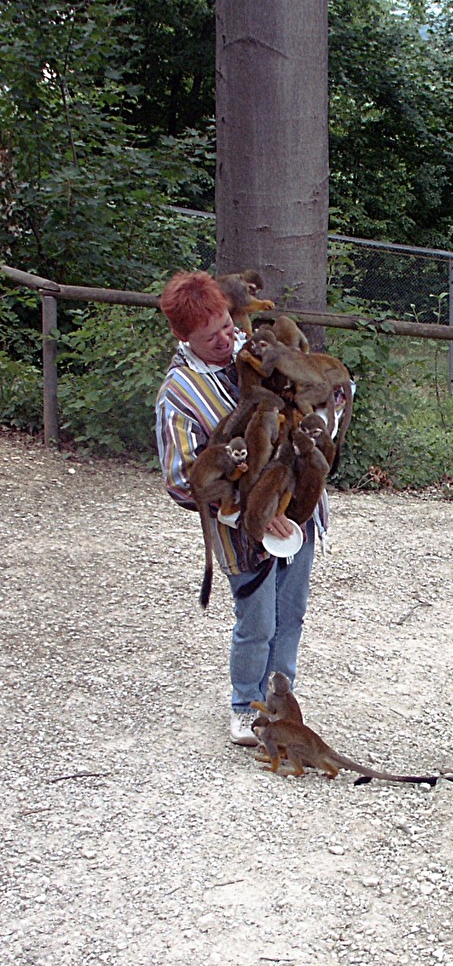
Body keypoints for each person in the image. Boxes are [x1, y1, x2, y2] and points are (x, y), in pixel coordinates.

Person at [154, 270, 327, 745]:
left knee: (290, 616)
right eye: (212, 337)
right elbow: (180, 478)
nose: (226, 340)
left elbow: (308, 396)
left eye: (229, 327)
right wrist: (248, 511)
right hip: (239, 525)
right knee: (258, 622)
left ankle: (282, 705)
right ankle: (244, 706)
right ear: (183, 335)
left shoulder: (254, 352)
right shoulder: (179, 393)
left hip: (296, 506)